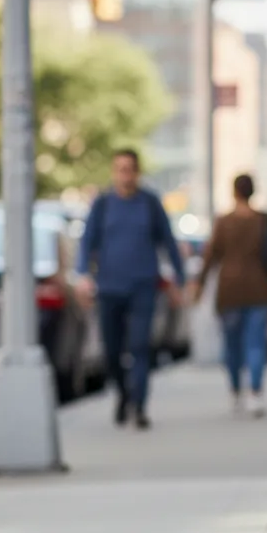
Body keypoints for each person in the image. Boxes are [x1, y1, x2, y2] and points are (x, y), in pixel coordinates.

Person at [76, 149, 185, 429]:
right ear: (114, 173)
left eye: (129, 169)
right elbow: (87, 242)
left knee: (140, 347)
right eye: (120, 169)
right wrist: (83, 275)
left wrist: (179, 279)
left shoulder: (149, 203)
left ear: (137, 172)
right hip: (109, 288)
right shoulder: (103, 204)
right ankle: (124, 393)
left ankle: (139, 405)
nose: (125, 175)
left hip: (143, 286)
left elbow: (168, 241)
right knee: (111, 352)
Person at [193, 174, 267, 418]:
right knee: (256, 344)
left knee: (231, 345)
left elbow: (211, 256)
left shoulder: (224, 222)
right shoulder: (264, 221)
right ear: (253, 192)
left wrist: (199, 284)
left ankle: (234, 390)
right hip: (258, 289)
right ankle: (255, 393)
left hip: (229, 291)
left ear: (234, 192)